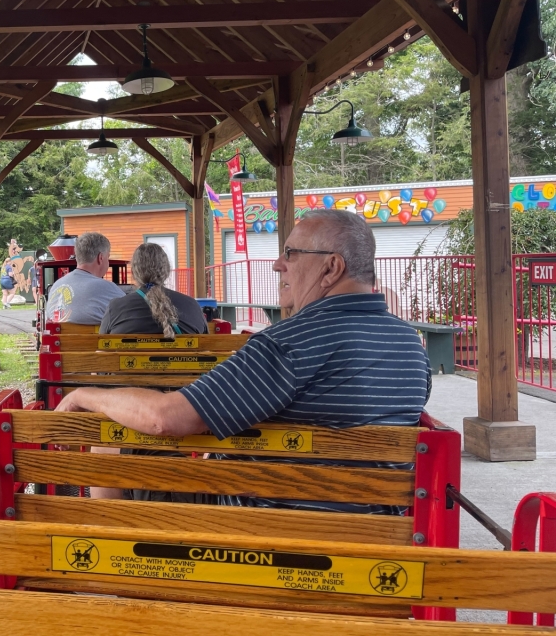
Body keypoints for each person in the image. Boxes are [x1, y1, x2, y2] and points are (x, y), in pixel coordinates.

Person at [56, 210, 431, 513]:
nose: (277, 266)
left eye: (291, 254)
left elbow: (164, 418)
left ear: (331, 268)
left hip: (261, 526)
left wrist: (86, 395)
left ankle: (123, 563)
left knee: (109, 436)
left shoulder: (291, 341)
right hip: (374, 528)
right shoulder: (412, 346)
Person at [101, 243, 207, 336]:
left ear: (133, 272)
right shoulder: (192, 306)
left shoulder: (115, 308)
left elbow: (102, 346)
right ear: (167, 271)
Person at [45, 232, 124, 324]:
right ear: (100, 258)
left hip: (59, 338)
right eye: (108, 257)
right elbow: (133, 313)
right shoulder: (107, 288)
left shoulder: (57, 285)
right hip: (93, 338)